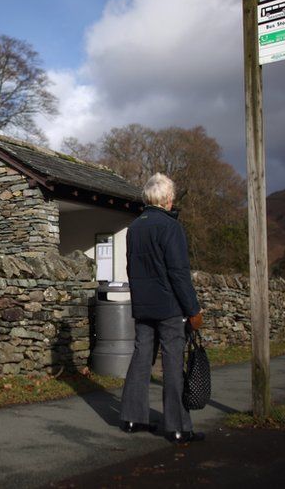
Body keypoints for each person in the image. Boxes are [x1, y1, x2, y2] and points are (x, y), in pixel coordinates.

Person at [119, 173, 204, 444]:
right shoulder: (171, 227)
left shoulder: (134, 228)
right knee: (172, 361)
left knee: (141, 359)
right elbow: (178, 273)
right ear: (168, 199)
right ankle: (177, 427)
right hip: (169, 306)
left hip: (143, 305)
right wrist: (193, 309)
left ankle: (133, 418)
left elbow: (132, 269)